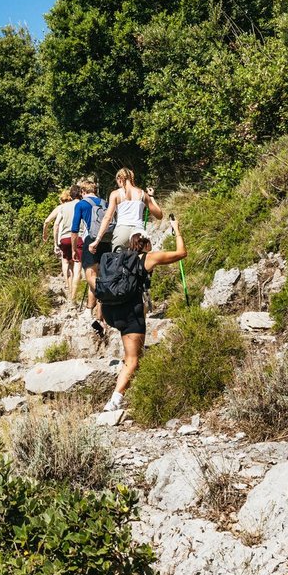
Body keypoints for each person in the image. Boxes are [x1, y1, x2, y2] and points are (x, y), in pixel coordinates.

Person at [99, 219, 187, 412]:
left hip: (110, 312)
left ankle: (134, 385)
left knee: (132, 355)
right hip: (130, 312)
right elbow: (182, 253)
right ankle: (115, 400)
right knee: (133, 359)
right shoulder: (148, 258)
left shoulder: (117, 258)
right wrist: (177, 230)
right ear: (146, 243)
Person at [89, 168, 163, 256]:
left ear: (120, 179)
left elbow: (107, 218)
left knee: (118, 263)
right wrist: (151, 196)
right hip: (138, 232)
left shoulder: (115, 194)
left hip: (122, 231)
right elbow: (159, 215)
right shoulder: (143, 194)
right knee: (140, 263)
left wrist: (97, 240)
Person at [71, 177, 108, 337]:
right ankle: (96, 315)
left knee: (90, 276)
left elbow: (74, 230)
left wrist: (74, 249)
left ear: (83, 192)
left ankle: (104, 298)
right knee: (99, 276)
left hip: (91, 240)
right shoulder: (105, 203)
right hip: (106, 240)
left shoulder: (81, 204)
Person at [41, 187, 81, 288]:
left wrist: (46, 235)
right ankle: (73, 285)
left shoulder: (61, 208)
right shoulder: (76, 206)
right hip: (76, 236)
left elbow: (50, 222)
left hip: (62, 237)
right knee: (74, 262)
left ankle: (68, 284)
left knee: (65, 261)